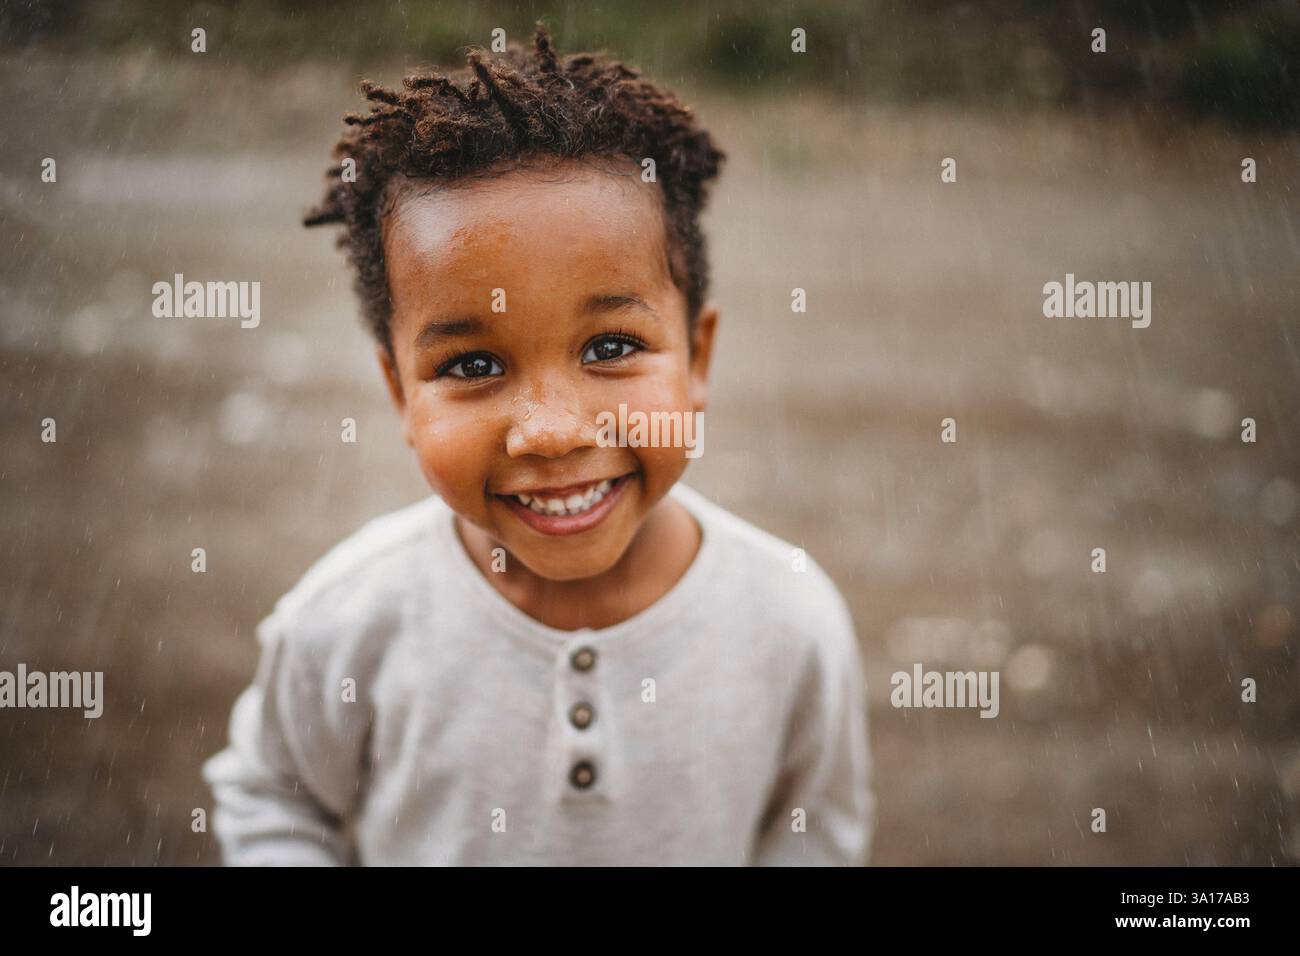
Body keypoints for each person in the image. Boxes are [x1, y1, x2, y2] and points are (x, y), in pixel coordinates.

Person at [201, 23, 874, 865]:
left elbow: (813, 834)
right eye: (475, 364)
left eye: (611, 348)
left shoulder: (790, 621)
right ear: (400, 393)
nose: (553, 430)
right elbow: (273, 800)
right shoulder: (349, 622)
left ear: (698, 359)